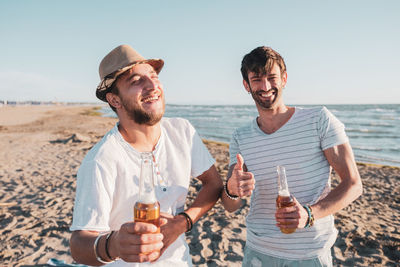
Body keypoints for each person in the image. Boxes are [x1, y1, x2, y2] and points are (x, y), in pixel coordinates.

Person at [69, 44, 223, 266]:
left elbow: (213, 183)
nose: (153, 85)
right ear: (114, 100)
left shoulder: (182, 131)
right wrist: (113, 246)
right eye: (136, 81)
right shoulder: (102, 159)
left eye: (153, 76)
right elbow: (78, 245)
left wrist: (183, 222)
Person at [221, 46, 363, 266]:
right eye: (257, 79)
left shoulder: (319, 120)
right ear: (246, 85)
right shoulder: (240, 136)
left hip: (309, 254)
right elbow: (231, 206)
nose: (265, 86)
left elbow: (354, 184)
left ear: (284, 79)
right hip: (258, 252)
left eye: (272, 77)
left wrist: (309, 214)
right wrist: (231, 189)